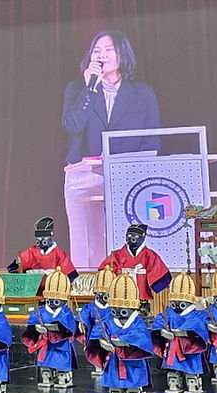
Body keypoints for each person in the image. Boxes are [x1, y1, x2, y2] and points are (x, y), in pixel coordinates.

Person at [62, 31, 160, 270]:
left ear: (121, 55)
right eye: (96, 51)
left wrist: (127, 164)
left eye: (108, 50)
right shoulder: (77, 89)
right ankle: (86, 292)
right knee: (87, 241)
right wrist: (90, 89)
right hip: (84, 176)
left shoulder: (143, 94)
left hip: (127, 175)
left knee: (124, 238)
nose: (101, 55)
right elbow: (72, 125)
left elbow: (152, 143)